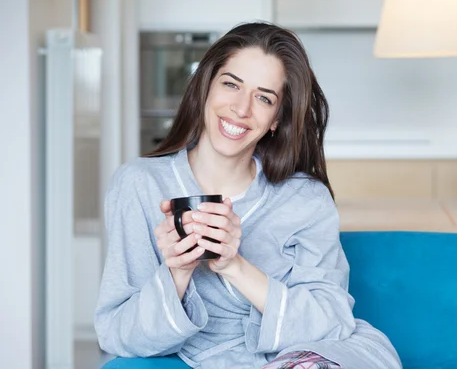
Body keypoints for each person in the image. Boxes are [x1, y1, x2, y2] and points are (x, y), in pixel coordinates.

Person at [95, 22, 402, 369]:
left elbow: (332, 320)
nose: (242, 108)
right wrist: (178, 271)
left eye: (264, 97)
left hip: (315, 356)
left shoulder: (306, 199)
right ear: (206, 89)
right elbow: (116, 332)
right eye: (231, 84)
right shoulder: (140, 185)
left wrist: (233, 266)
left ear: (275, 119)